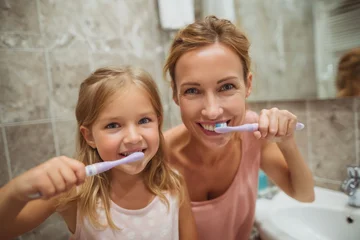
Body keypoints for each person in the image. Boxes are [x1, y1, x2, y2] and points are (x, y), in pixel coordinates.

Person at [0, 67, 197, 240]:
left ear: (158, 122)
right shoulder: (75, 192)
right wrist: (18, 190)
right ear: (89, 136)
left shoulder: (173, 184)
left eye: (144, 121)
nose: (133, 138)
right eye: (113, 125)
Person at [163, 15, 315, 240]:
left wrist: (287, 141)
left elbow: (304, 195)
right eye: (192, 91)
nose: (212, 111)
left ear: (248, 85)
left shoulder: (254, 135)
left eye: (226, 87)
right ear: (176, 95)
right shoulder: (158, 154)